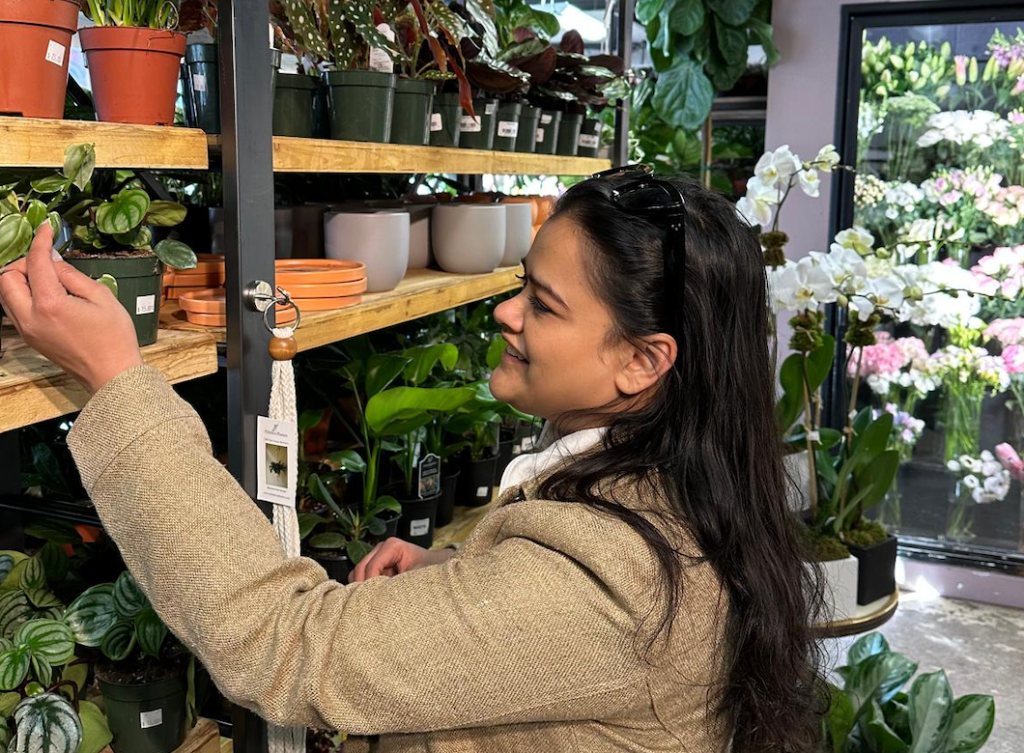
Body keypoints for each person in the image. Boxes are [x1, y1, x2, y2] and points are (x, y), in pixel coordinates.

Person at [0, 169, 823, 753]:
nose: (505, 314)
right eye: (522, 285)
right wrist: (467, 576)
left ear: (642, 362)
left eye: (542, 304)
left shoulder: (616, 582)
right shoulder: (684, 496)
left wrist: (116, 379)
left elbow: (284, 644)